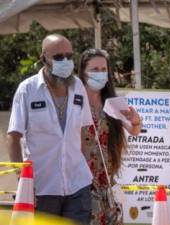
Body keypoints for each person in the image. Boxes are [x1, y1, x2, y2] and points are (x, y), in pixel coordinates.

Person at [7, 34, 93, 224]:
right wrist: (23, 182)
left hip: (78, 184)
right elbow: (13, 137)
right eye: (59, 57)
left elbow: (84, 131)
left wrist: (86, 165)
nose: (66, 62)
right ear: (44, 57)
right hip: (42, 187)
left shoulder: (78, 86)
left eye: (69, 56)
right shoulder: (27, 89)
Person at [78, 48, 141, 225]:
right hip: (80, 185)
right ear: (83, 71)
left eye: (103, 69)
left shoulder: (112, 102)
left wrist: (136, 121)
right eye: (95, 69)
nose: (100, 74)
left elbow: (134, 130)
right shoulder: (74, 100)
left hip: (107, 184)